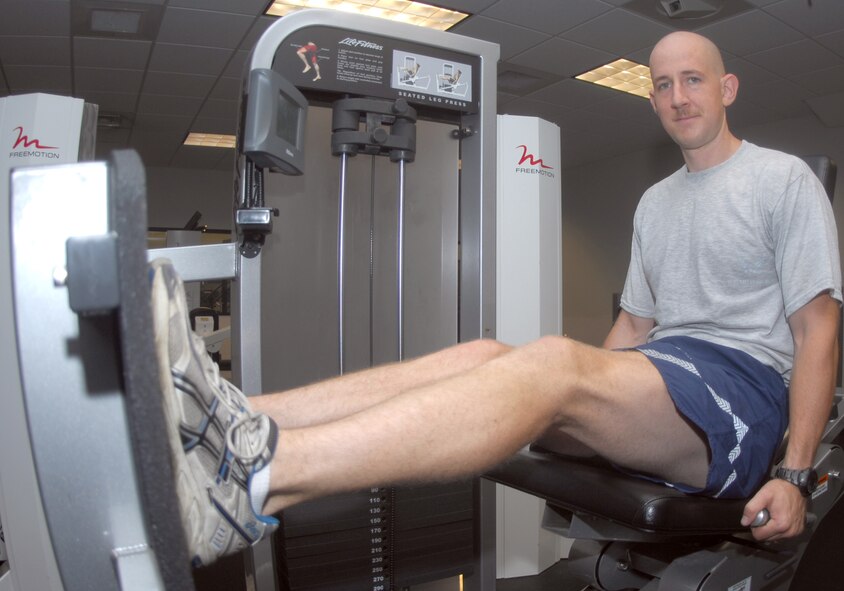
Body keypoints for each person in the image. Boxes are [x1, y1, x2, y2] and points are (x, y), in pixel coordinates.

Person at [151, 30, 842, 568]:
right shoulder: (656, 203)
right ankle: (233, 416)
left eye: (693, 80)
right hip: (669, 378)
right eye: (663, 85)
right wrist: (586, 393)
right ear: (652, 98)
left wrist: (794, 472)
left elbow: (819, 331)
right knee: (487, 355)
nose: (678, 96)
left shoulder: (780, 181)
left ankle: (254, 482)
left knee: (547, 365)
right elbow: (635, 322)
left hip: (741, 400)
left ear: (727, 87)